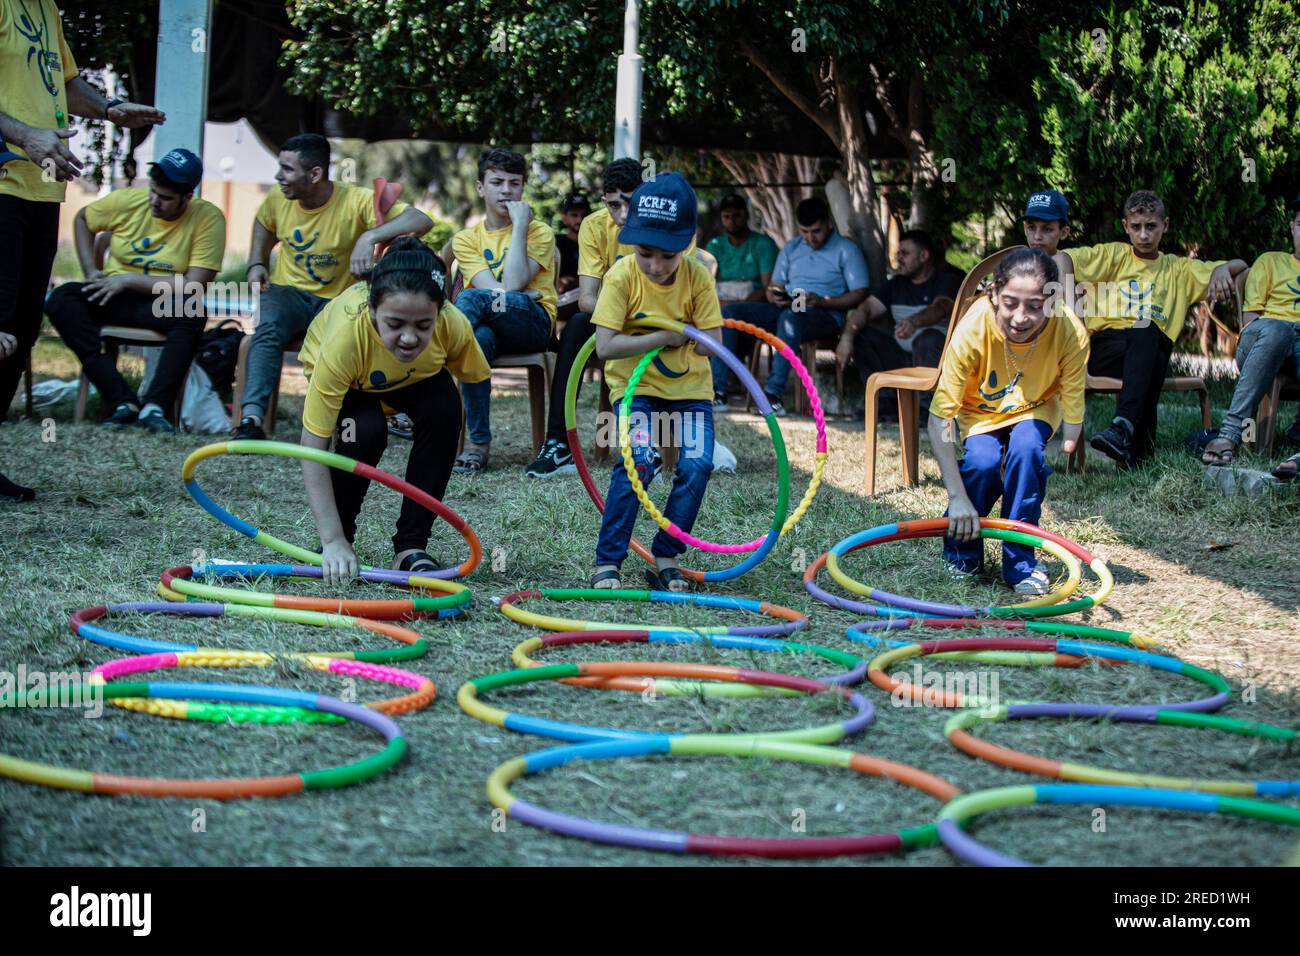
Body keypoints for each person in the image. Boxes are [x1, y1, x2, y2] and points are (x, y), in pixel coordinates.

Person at [1, 0, 164, 497]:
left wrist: (111, 110)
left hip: (43, 188)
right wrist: (25, 134)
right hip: (3, 181)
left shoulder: (47, 9)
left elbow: (65, 84)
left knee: (23, 328)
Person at [297, 237, 490, 582]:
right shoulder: (346, 339)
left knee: (446, 409)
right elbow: (313, 448)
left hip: (413, 379)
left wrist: (478, 442)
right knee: (364, 431)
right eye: (395, 323)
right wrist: (332, 540)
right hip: (355, 384)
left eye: (423, 326)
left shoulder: (453, 323)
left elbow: (474, 377)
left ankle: (411, 546)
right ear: (371, 310)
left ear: (440, 313)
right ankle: (341, 542)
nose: (409, 338)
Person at [234, 133, 432, 440]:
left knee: (364, 330)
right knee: (267, 323)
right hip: (289, 295)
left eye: (287, 169)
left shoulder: (355, 200)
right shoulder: (278, 198)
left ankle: (377, 414)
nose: (278, 176)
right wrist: (256, 262)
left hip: (338, 303)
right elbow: (264, 222)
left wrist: (370, 237)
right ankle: (251, 421)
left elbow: (420, 219)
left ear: (315, 174)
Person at [589, 171, 723, 593]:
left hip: (690, 393)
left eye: (669, 255)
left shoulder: (698, 276)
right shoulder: (622, 277)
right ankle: (608, 560)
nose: (657, 265)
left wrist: (697, 338)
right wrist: (665, 336)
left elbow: (714, 344)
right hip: (636, 390)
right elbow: (606, 346)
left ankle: (666, 554)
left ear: (686, 244)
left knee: (698, 463)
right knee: (639, 460)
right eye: (646, 253)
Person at [929, 248, 1089, 594]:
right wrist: (956, 496)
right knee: (983, 463)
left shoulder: (1070, 332)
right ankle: (962, 555)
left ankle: (1020, 564)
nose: (1020, 317)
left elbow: (1074, 394)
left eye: (1034, 306)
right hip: (980, 412)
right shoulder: (973, 327)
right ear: (994, 294)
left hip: (1036, 406)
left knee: (1028, 449)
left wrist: (1071, 438)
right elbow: (941, 417)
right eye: (1011, 303)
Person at [1055, 190, 1245, 467]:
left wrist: (1221, 270)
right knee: (1149, 344)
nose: (1143, 235)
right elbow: (1061, 260)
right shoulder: (1114, 255)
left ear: (1165, 225)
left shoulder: (1178, 269)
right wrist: (1074, 315)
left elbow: (1241, 266)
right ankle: (1133, 439)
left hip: (1148, 347)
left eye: (1151, 227)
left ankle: (1124, 432)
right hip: (1105, 347)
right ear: (1126, 227)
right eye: (1136, 227)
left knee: (1148, 333)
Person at [45, 148, 225, 432]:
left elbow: (194, 284)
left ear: (187, 197)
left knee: (193, 310)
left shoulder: (208, 218)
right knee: (61, 300)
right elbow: (82, 219)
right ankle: (121, 400)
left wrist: (128, 280)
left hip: (161, 302)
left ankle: (155, 408)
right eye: (153, 191)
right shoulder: (129, 200)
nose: (155, 201)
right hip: (113, 296)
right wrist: (91, 271)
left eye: (165, 198)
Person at [451, 147, 557, 474]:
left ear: (523, 188)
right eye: (497, 182)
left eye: (515, 183)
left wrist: (521, 226)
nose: (507, 190)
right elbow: (498, 292)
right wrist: (521, 292)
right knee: (478, 338)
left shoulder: (539, 231)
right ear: (481, 187)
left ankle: (433, 366)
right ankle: (478, 444)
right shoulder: (466, 239)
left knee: (469, 302)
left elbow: (507, 286)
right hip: (490, 325)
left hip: (533, 326)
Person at [1201, 196, 1300, 466]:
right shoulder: (1270, 261)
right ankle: (1230, 434)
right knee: (1280, 331)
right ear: (1292, 227)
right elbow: (1252, 321)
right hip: (1263, 341)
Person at [763, 197, 869, 416]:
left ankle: (772, 395)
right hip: (787, 307)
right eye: (804, 232)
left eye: (816, 231)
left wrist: (823, 301)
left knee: (791, 319)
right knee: (731, 314)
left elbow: (860, 293)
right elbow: (774, 285)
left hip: (824, 314)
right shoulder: (792, 248)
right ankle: (717, 393)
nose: (810, 238)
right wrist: (774, 295)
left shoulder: (846, 249)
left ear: (828, 222)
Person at [836, 229, 960, 417]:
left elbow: (940, 307)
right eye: (898, 253)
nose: (899, 258)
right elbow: (867, 308)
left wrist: (914, 322)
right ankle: (885, 401)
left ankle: (926, 407)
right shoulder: (895, 284)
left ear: (924, 256)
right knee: (864, 337)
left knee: (928, 339)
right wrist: (847, 336)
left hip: (936, 360)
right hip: (902, 356)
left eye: (905, 253)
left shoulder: (946, 281)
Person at [706, 193, 778, 410]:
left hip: (755, 309)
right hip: (719, 306)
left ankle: (718, 391)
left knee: (726, 317)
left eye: (736, 215)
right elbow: (706, 284)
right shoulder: (715, 245)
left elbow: (768, 289)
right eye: (726, 216)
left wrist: (737, 304)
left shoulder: (763, 244)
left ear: (746, 214)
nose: (732, 221)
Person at [554, 192, 588, 311]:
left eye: (584, 215)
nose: (580, 219)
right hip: (563, 302)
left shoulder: (600, 244)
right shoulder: (556, 243)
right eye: (574, 215)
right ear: (565, 218)